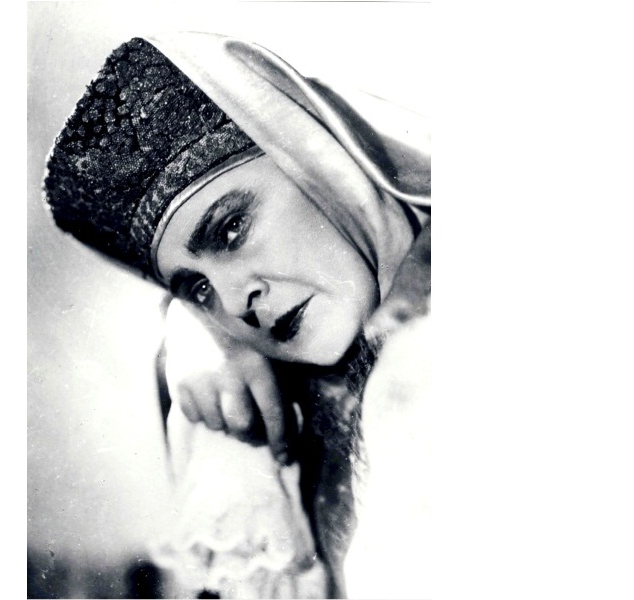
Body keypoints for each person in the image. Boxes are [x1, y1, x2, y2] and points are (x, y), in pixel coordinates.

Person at [43, 32, 430, 598]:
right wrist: (192, 333)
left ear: (321, 160)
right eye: (199, 288)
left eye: (231, 228)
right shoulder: (290, 393)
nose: (231, 305)